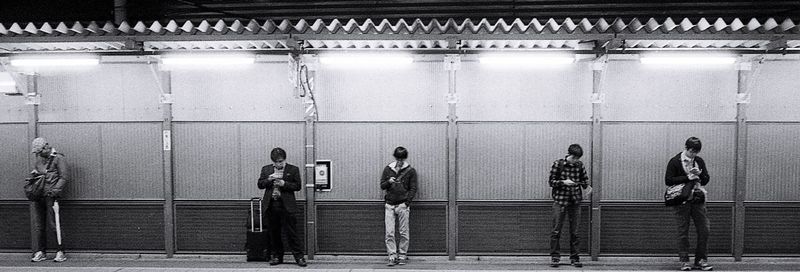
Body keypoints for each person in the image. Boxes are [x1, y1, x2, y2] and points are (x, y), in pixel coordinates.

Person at [665, 137, 712, 271]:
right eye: (692, 151)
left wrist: (700, 174)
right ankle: (684, 261)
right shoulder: (675, 161)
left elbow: (706, 180)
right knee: (683, 232)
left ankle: (701, 260)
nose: (694, 154)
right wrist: (687, 177)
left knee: (704, 230)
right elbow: (668, 180)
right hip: (682, 200)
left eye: (696, 152)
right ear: (686, 148)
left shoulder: (699, 161)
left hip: (698, 199)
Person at [257, 147, 307, 267]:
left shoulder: (293, 169)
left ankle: (299, 257)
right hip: (271, 205)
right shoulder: (266, 169)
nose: (279, 164)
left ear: (285, 160)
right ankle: (277, 256)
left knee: (291, 233)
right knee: (274, 233)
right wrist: (269, 179)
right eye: (276, 162)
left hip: (287, 206)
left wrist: (284, 184)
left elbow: (298, 186)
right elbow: (260, 184)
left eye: (281, 161)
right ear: (272, 161)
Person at [548, 144, 589, 268]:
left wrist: (585, 186)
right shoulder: (558, 164)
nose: (576, 160)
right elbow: (551, 182)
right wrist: (563, 182)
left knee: (575, 232)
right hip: (560, 201)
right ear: (569, 154)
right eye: (574, 158)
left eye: (577, 158)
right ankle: (555, 257)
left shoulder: (580, 165)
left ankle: (575, 257)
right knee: (556, 231)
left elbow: (585, 180)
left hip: (575, 202)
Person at [28, 137, 68, 262]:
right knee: (39, 225)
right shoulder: (39, 158)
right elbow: (38, 172)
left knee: (53, 224)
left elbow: (64, 177)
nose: (39, 154)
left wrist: (55, 191)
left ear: (46, 147)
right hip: (39, 195)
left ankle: (60, 251)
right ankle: (41, 251)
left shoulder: (58, 158)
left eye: (40, 151)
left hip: (51, 196)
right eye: (37, 152)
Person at [379, 146, 418, 266]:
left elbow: (413, 188)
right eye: (398, 159)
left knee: (403, 232)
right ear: (395, 158)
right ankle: (392, 255)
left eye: (402, 159)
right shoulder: (388, 169)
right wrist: (388, 182)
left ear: (405, 158)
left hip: (402, 205)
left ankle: (402, 255)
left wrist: (407, 203)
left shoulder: (410, 171)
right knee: (389, 232)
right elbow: (382, 185)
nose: (400, 162)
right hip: (389, 205)